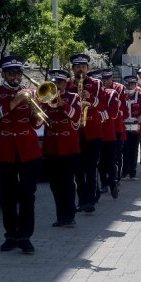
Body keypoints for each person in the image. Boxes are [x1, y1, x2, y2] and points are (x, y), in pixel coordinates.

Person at [0, 55, 43, 253]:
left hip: (29, 150)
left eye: (18, 73)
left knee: (27, 194)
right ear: (3, 74)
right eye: (11, 73)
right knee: (8, 196)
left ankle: (25, 236)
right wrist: (16, 100)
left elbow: (36, 124)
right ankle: (10, 235)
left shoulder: (31, 93)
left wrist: (38, 110)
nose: (15, 77)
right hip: (5, 151)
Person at [67, 54, 107, 213]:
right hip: (74, 133)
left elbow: (103, 105)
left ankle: (90, 200)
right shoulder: (68, 85)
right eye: (77, 67)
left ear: (87, 69)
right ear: (73, 69)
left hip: (93, 132)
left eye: (83, 67)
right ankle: (81, 199)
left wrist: (91, 98)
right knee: (78, 169)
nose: (80, 69)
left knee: (90, 167)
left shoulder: (96, 84)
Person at [42, 69, 82, 228]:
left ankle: (70, 215)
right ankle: (60, 216)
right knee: (55, 184)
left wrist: (62, 104)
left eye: (60, 82)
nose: (57, 85)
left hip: (69, 148)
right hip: (51, 147)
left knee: (67, 182)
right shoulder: (45, 97)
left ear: (66, 83)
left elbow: (76, 116)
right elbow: (38, 119)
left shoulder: (73, 97)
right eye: (54, 82)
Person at [97, 69, 121, 199]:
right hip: (96, 134)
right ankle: (103, 184)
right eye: (102, 80)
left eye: (106, 79)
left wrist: (97, 114)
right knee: (100, 162)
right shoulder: (92, 95)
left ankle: (113, 183)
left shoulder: (112, 93)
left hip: (109, 134)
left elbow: (113, 114)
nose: (104, 82)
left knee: (110, 161)